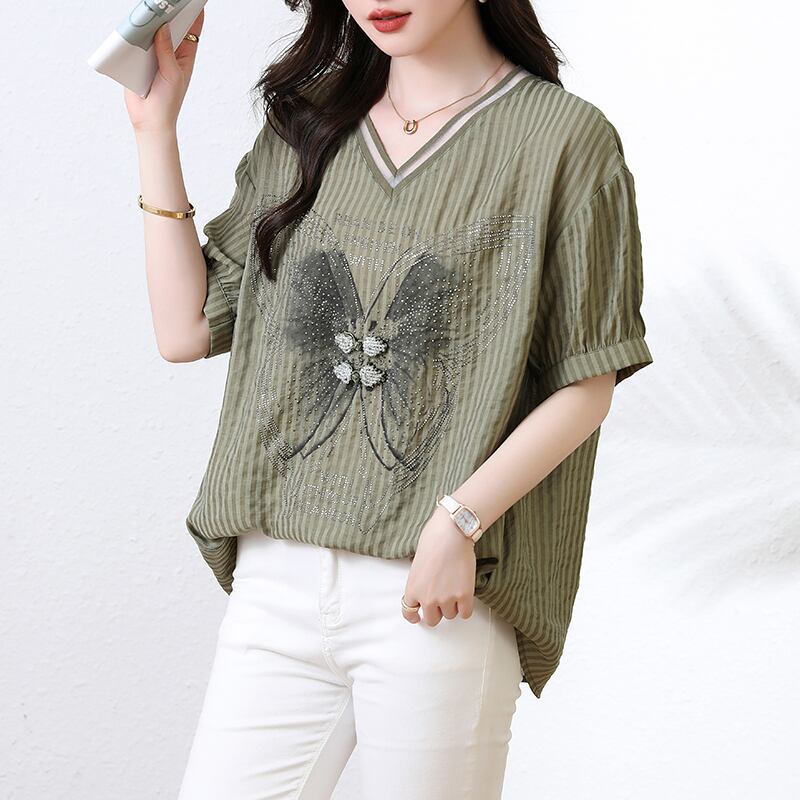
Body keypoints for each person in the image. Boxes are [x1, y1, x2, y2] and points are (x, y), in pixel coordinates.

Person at [125, 1, 654, 797]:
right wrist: (154, 131)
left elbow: (587, 382)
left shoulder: (563, 141)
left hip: (433, 595)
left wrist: (458, 521)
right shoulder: (309, 123)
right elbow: (186, 327)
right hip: (276, 581)